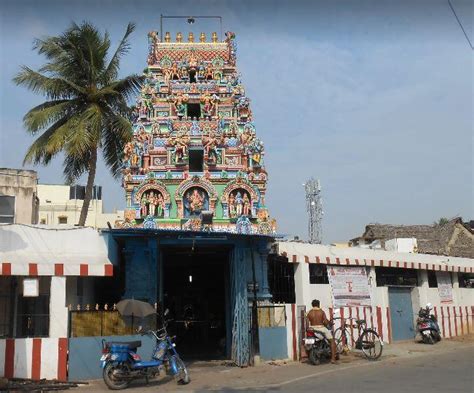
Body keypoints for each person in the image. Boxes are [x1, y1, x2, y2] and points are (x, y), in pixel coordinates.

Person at [306, 299, 338, 364]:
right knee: (332, 341)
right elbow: (325, 322)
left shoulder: (309, 312)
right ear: (318, 304)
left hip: (312, 328)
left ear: (312, 305)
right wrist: (327, 324)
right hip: (321, 328)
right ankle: (333, 358)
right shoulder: (321, 312)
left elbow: (307, 323)